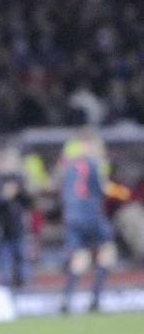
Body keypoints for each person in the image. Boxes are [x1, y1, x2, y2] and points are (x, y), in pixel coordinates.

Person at [58, 130, 116, 313]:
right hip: (90, 215)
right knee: (107, 252)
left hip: (71, 217)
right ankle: (95, 299)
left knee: (80, 257)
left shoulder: (68, 165)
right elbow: (102, 189)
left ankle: (66, 300)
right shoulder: (93, 164)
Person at [0, 147, 32, 288]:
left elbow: (29, 202)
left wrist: (21, 188)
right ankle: (4, 287)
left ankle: (23, 286)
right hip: (3, 229)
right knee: (5, 261)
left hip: (18, 228)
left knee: (21, 260)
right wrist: (4, 197)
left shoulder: (19, 180)